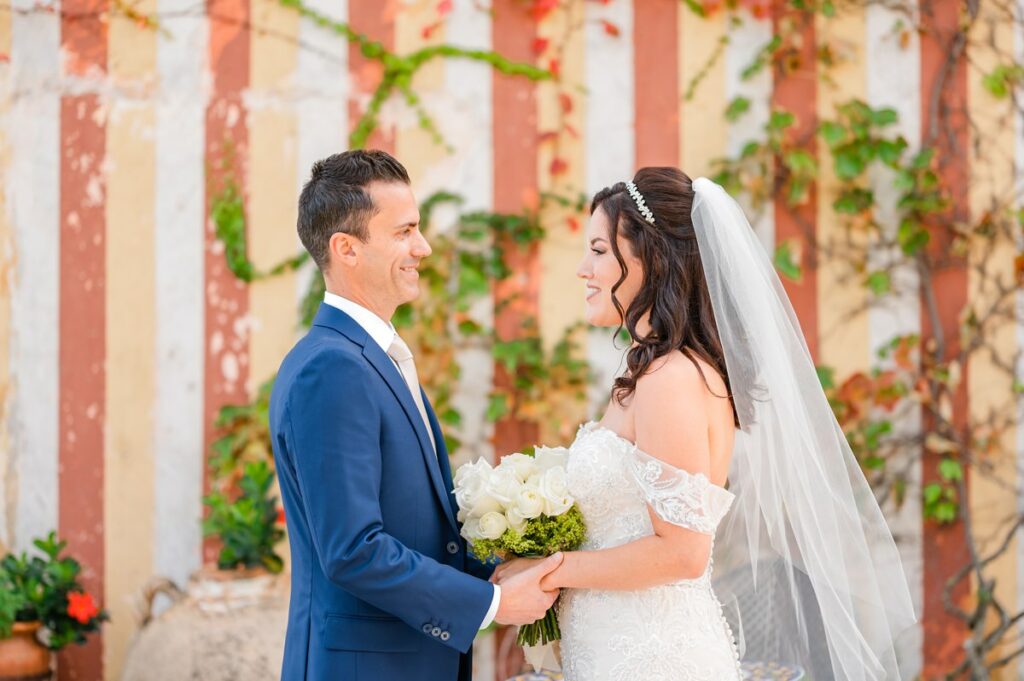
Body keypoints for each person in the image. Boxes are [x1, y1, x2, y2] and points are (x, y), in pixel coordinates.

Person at [494, 168, 916, 680]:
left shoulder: (672, 378)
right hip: (612, 651)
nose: (583, 268)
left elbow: (681, 552)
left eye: (600, 251)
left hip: (653, 659)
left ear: (651, 257)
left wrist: (547, 570)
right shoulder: (651, 372)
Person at [269, 149, 562, 681]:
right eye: (404, 231)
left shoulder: (370, 356)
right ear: (346, 249)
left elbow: (420, 531)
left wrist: (501, 567)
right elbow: (353, 549)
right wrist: (491, 605)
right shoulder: (330, 369)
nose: (422, 248)